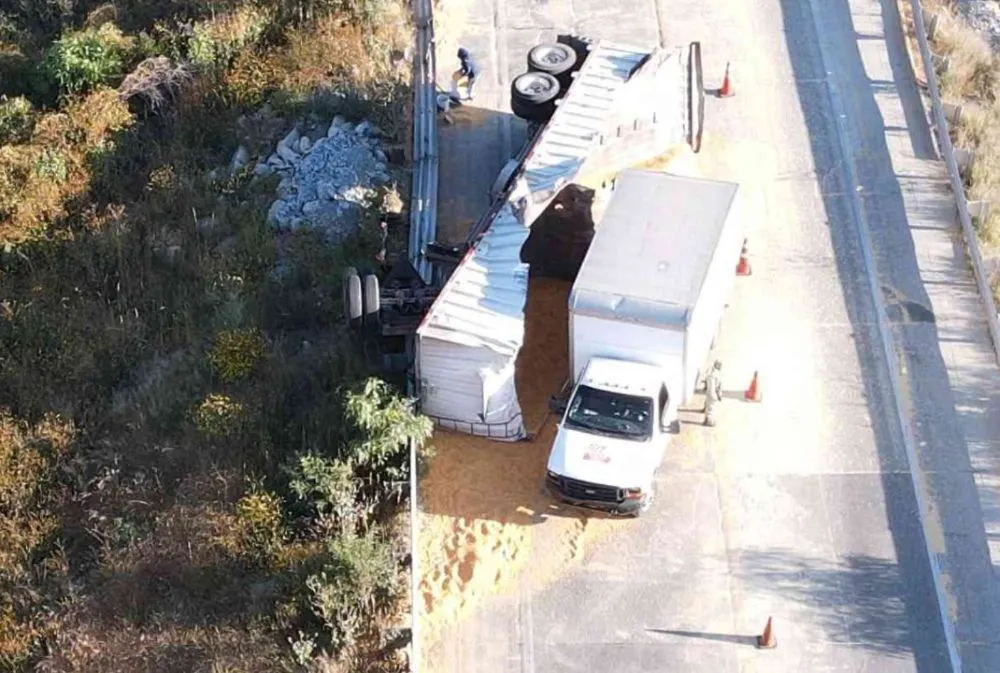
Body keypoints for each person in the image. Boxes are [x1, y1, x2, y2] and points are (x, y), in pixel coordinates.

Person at [703, 360, 723, 427]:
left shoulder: (711, 371)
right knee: (711, 408)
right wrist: (715, 396)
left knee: (707, 406)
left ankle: (706, 419)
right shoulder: (714, 374)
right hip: (712, 393)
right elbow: (713, 386)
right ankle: (709, 422)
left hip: (709, 392)